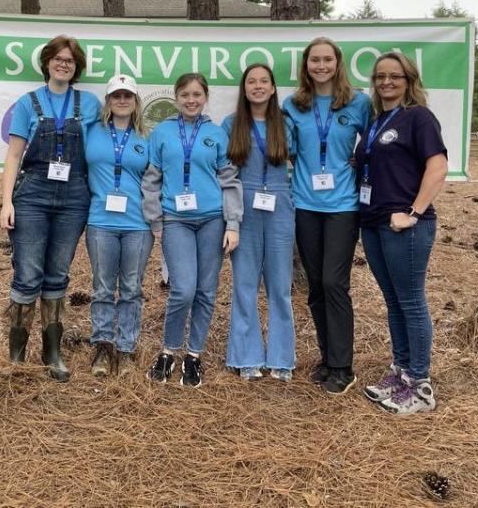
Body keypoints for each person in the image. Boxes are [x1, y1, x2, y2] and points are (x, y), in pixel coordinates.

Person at [0, 35, 102, 381]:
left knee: (58, 274)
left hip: (74, 195)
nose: (64, 64)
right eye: (58, 58)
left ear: (77, 68)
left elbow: (99, 149)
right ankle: (16, 355)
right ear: (46, 62)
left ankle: (52, 352)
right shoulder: (28, 103)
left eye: (70, 61)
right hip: (33, 194)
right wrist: (6, 201)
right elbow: (14, 154)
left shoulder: (89, 104)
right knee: (28, 274)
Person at [355, 51, 447, 415]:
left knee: (410, 300)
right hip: (374, 221)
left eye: (395, 76)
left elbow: (437, 167)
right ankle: (402, 372)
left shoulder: (418, 118)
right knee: (393, 301)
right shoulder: (378, 120)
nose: (386, 82)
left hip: (405, 225)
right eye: (380, 77)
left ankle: (421, 385)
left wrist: (413, 212)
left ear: (409, 80)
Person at [142, 73, 243, 388]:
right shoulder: (162, 132)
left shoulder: (216, 134)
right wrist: (155, 219)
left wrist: (233, 223)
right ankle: (169, 350)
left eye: (197, 94)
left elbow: (229, 180)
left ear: (205, 97)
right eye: (185, 94)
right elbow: (151, 179)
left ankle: (194, 355)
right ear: (176, 97)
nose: (191, 100)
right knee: (183, 289)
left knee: (205, 291)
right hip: (176, 219)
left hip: (212, 220)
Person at [282, 38, 370, 395]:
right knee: (316, 285)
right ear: (306, 65)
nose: (320, 65)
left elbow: (376, 138)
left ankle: (342, 365)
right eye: (314, 60)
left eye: (327, 59)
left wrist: (360, 158)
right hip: (305, 203)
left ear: (337, 63)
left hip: (343, 207)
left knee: (335, 283)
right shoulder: (294, 105)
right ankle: (325, 358)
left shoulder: (358, 102)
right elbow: (285, 147)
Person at [223, 64, 296, 382]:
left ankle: (282, 358)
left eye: (264, 81)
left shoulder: (286, 124)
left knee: (280, 287)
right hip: (245, 206)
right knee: (245, 285)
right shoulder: (231, 124)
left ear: (273, 87)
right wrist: (230, 218)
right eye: (251, 81)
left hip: (279, 205)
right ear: (244, 88)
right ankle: (246, 355)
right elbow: (224, 172)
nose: (257, 86)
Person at [84, 75, 154, 377]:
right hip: (100, 220)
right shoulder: (92, 132)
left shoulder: (146, 138)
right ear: (108, 101)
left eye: (128, 95)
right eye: (116, 95)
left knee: (130, 288)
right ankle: (102, 346)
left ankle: (125, 348)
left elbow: (155, 181)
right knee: (102, 288)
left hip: (137, 224)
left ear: (135, 101)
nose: (122, 100)